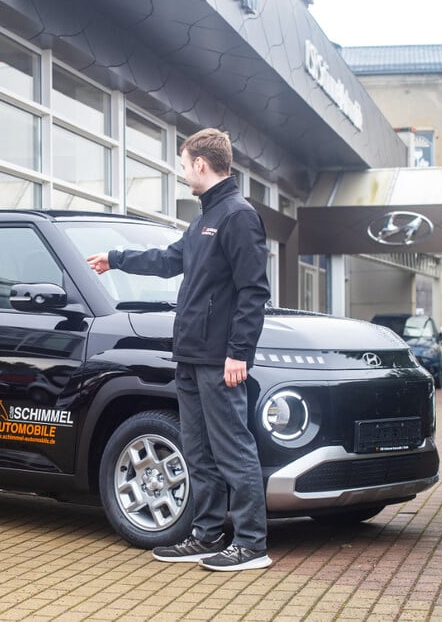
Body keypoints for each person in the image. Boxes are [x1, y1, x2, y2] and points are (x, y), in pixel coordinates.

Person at [87, 128, 272, 572]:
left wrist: (238, 354)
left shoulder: (238, 217)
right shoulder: (205, 217)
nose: (182, 171)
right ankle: (206, 534)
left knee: (233, 449)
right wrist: (116, 259)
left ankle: (250, 544)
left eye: (184, 164)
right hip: (190, 355)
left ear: (201, 165)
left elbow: (254, 292)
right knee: (198, 450)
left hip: (219, 359)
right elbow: (170, 260)